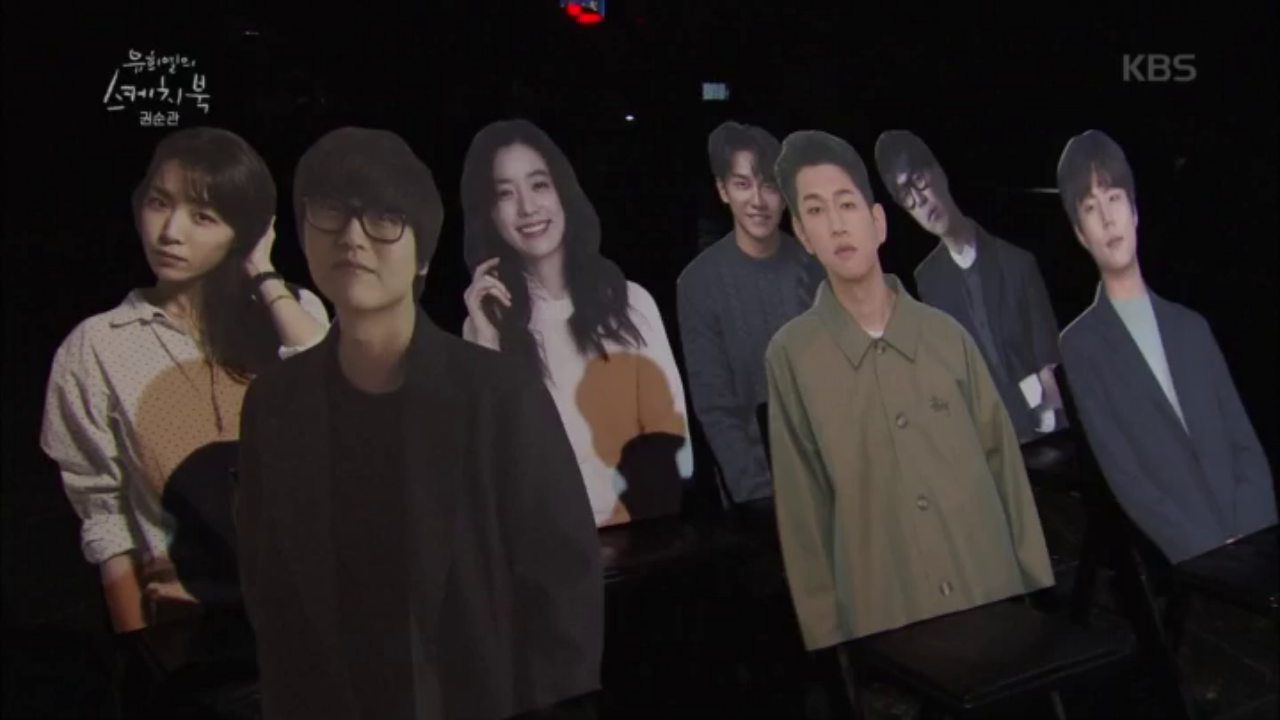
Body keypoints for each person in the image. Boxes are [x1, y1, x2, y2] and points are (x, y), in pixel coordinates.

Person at [236, 127, 603, 720]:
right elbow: (268, 591)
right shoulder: (274, 404)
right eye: (330, 210)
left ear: (424, 254)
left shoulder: (498, 396)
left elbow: (564, 589)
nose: (352, 236)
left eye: (384, 217)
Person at [765, 130, 1054, 650]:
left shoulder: (946, 336)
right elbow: (803, 509)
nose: (837, 224)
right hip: (885, 618)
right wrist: (830, 639)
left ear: (878, 222)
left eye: (847, 204)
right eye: (816, 211)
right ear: (802, 234)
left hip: (989, 592)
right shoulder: (793, 357)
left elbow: (1003, 465)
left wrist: (1031, 583)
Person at [40, 127, 330, 634]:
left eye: (203, 216)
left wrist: (264, 275)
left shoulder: (292, 312)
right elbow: (106, 519)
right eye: (159, 203)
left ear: (245, 231)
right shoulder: (97, 345)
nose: (170, 231)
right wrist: (138, 647)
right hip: (192, 637)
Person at [1056, 130, 1277, 564]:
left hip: (1254, 546)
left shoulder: (1191, 327)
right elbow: (1127, 478)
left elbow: (1245, 445)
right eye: (1090, 207)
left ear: (1134, 210)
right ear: (1080, 233)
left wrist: (1254, 534)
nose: (1108, 218)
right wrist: (1207, 551)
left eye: (1114, 198)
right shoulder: (1081, 344)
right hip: (1185, 558)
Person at [460, 118, 692, 527]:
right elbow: (489, 473)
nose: (527, 207)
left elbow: (674, 446)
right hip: (543, 549)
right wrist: (485, 343)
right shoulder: (485, 329)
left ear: (563, 192)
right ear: (490, 214)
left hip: (640, 541)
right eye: (505, 193)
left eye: (539, 184)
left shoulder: (631, 303)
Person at [874, 130, 1065, 444]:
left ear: (939, 172)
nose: (919, 200)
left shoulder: (1017, 263)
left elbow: (1051, 384)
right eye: (906, 197)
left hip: (1042, 440)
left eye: (918, 179)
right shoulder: (928, 280)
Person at [678, 121, 823, 504]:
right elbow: (715, 406)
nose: (758, 200)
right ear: (723, 190)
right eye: (743, 184)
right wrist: (760, 495)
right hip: (758, 492)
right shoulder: (699, 283)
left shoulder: (816, 267)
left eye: (770, 186)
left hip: (833, 475)